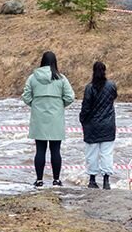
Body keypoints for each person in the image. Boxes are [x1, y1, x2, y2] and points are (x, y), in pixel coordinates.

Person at [22, 51, 74, 187]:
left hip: (38, 118)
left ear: (42, 62)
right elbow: (70, 97)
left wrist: (35, 104)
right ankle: (56, 180)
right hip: (56, 118)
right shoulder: (61, 78)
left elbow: (26, 96)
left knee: (40, 150)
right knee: (55, 150)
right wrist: (59, 106)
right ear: (54, 62)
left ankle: (39, 180)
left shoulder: (33, 78)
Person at [79, 60, 117, 189]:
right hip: (108, 124)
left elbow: (86, 107)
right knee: (107, 153)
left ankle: (92, 180)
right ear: (105, 71)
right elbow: (113, 98)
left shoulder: (90, 88)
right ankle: (106, 180)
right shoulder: (112, 86)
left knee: (91, 153)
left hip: (92, 125)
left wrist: (82, 120)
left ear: (93, 72)